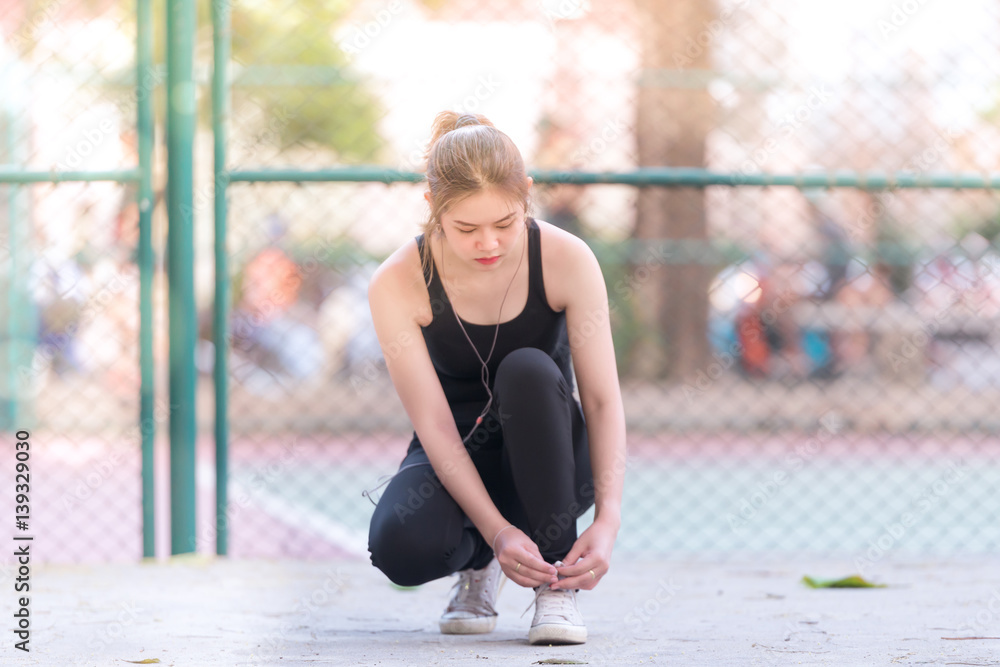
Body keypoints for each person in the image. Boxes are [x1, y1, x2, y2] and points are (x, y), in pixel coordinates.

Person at [365, 111, 626, 645]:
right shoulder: (397, 282)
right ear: (432, 208)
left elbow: (601, 401)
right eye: (466, 228)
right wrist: (496, 531)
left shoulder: (566, 258)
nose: (489, 243)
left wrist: (609, 518)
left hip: (553, 457)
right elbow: (434, 424)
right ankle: (483, 560)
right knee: (399, 545)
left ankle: (555, 585)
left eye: (505, 223)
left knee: (528, 368)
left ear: (526, 194)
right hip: (457, 451)